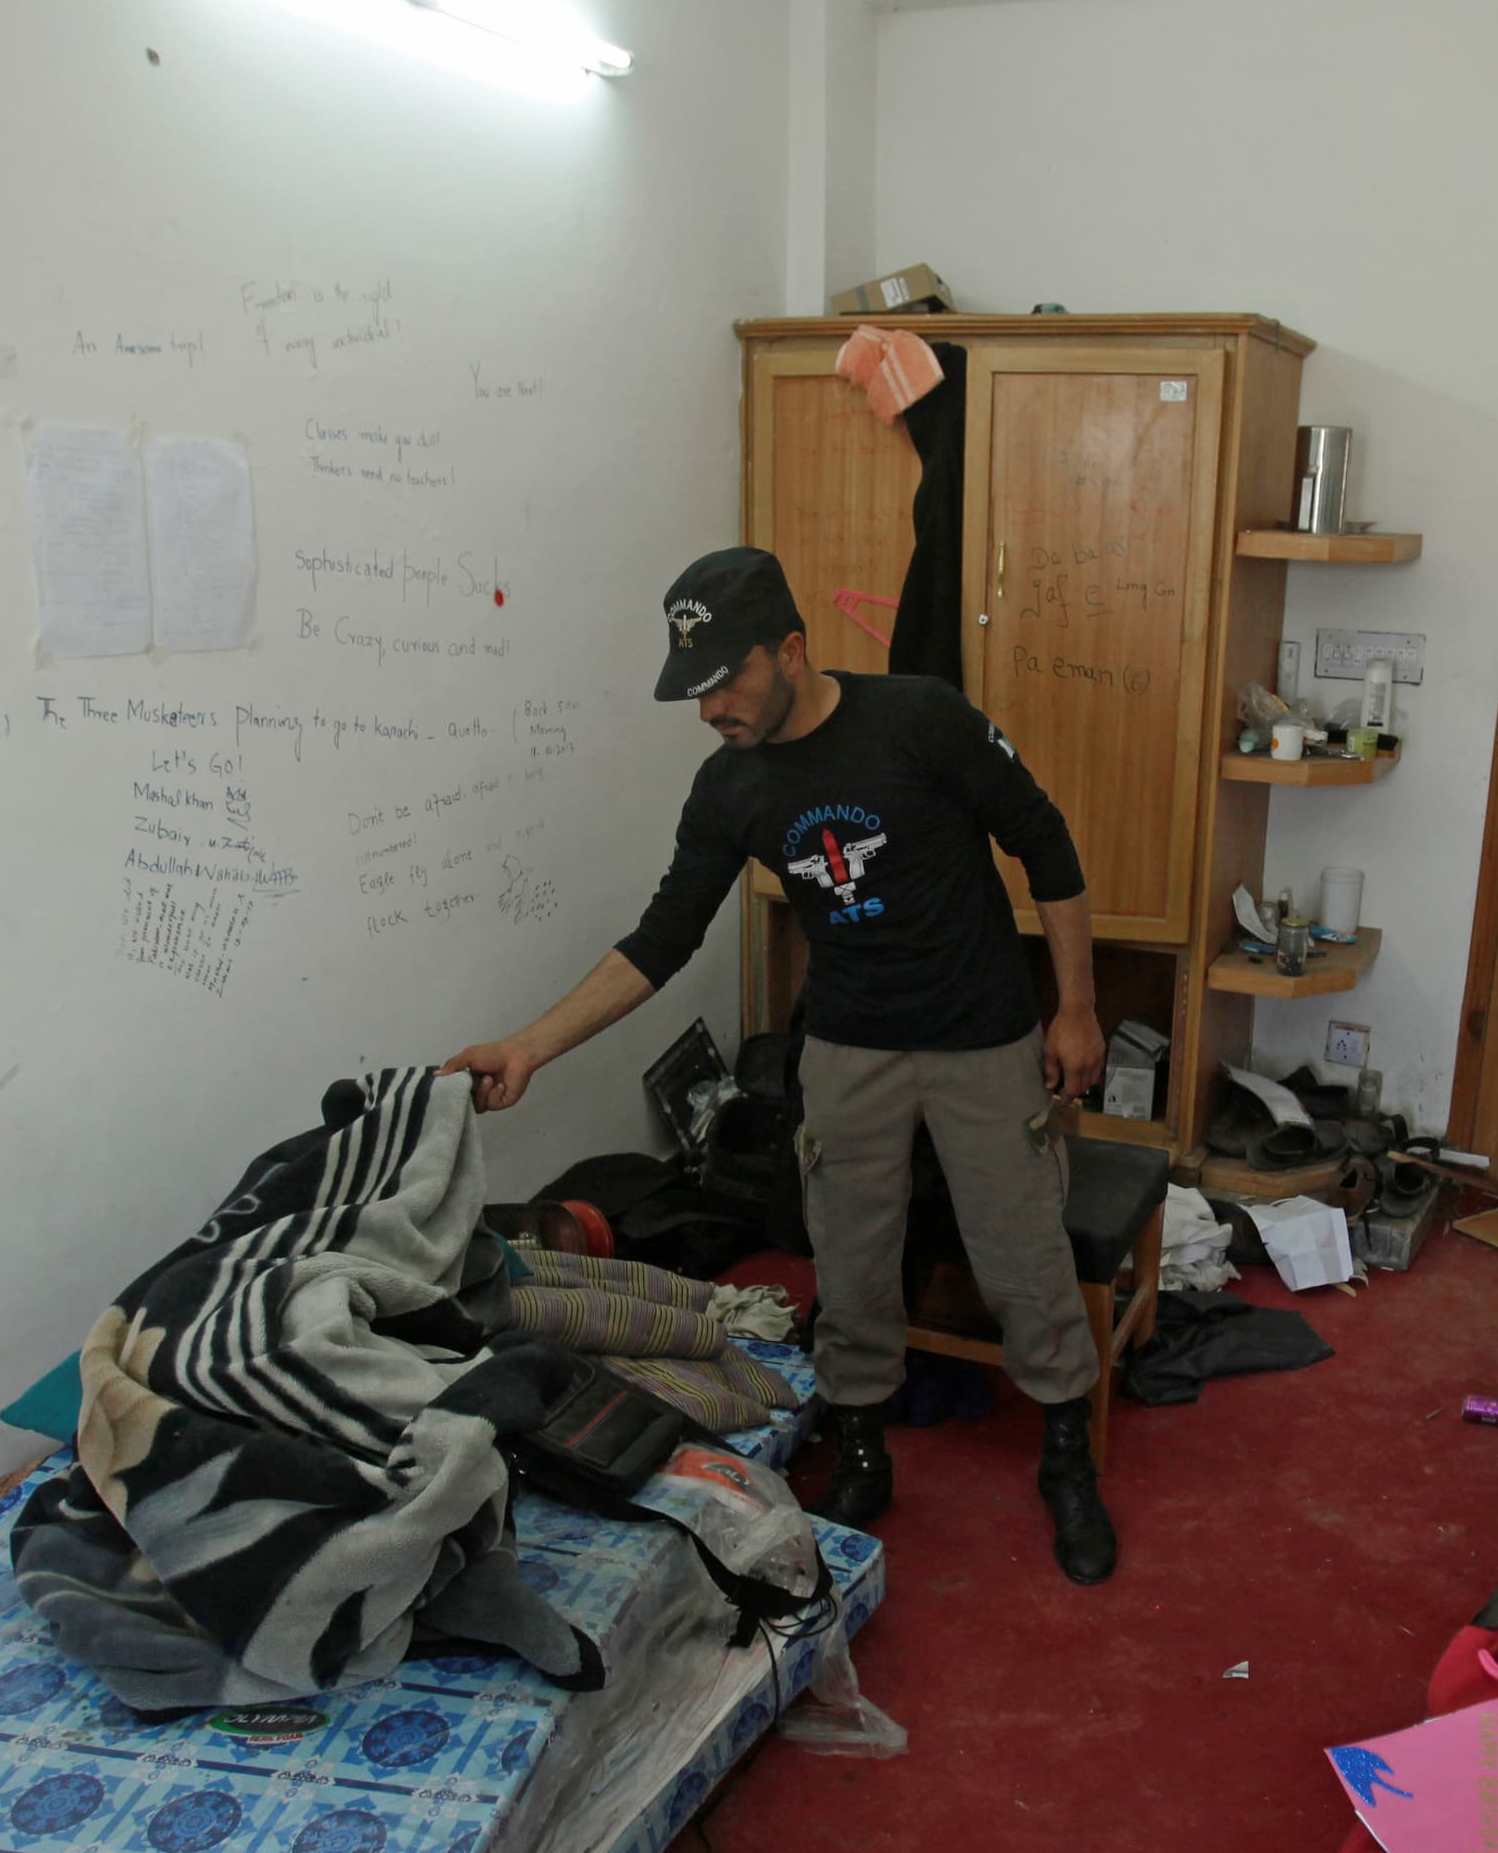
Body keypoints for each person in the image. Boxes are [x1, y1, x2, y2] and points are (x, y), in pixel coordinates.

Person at [443, 547, 1122, 1583]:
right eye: (695, 689)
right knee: (846, 1257)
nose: (712, 706)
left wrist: (1074, 1009)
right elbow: (659, 940)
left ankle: (1067, 1456)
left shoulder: (922, 719)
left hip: (983, 1032)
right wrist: (528, 1046)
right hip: (848, 1046)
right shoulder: (731, 788)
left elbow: (1048, 842)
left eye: (729, 678)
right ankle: (860, 1453)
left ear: (792, 647)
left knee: (1021, 1254)